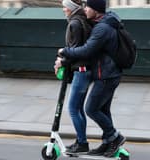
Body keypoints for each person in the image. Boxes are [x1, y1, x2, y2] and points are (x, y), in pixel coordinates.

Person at [55, 0, 126, 157]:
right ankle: (107, 143)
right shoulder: (101, 22)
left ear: (96, 10)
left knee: (91, 109)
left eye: (88, 7)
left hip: (106, 74)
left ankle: (114, 136)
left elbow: (86, 50)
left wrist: (63, 53)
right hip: (108, 73)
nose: (85, 9)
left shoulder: (102, 28)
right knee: (102, 109)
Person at [55, 0, 92, 153]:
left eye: (65, 6)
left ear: (70, 8)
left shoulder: (75, 24)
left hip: (81, 71)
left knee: (72, 108)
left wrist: (61, 61)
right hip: (85, 70)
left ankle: (82, 143)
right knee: (78, 108)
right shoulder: (82, 20)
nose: (63, 9)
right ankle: (81, 141)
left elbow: (75, 51)